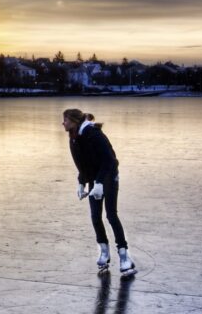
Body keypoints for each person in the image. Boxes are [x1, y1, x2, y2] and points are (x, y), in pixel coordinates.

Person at [62, 109, 137, 277]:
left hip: (108, 176)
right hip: (94, 179)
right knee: (95, 217)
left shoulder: (93, 134)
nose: (63, 123)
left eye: (65, 120)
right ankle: (104, 251)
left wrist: (100, 182)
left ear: (74, 121)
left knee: (111, 215)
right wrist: (81, 182)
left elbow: (111, 161)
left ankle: (125, 256)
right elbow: (83, 164)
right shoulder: (74, 137)